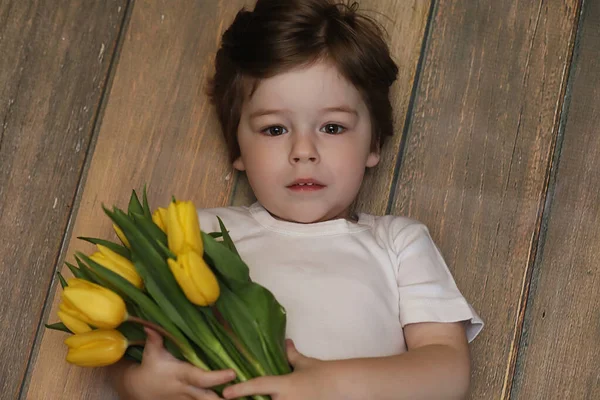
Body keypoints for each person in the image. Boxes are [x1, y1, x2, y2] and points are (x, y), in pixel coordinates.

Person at [111, 0, 483, 399]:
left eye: (333, 126)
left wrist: (332, 384)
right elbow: (130, 344)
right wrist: (142, 383)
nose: (303, 150)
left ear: (373, 142)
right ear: (237, 147)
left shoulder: (398, 244)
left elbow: (447, 369)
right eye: (274, 130)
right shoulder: (194, 235)